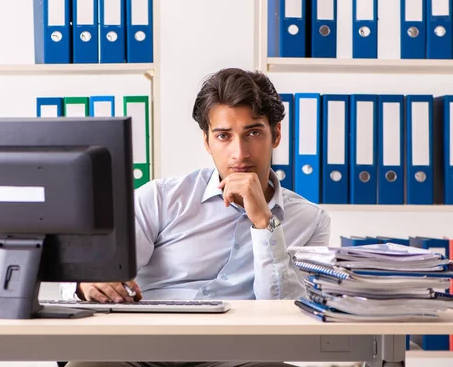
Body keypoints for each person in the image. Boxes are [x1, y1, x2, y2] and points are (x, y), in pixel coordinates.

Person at [61, 68, 331, 367]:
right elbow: (81, 275)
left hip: (237, 358)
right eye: (223, 136)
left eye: (253, 133)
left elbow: (289, 316)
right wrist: (87, 284)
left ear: (276, 134)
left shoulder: (311, 220)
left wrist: (264, 224)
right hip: (142, 350)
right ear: (207, 141)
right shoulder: (162, 197)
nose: (238, 153)